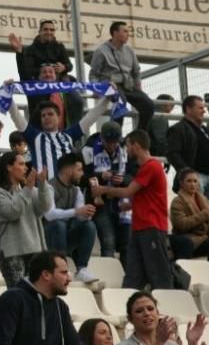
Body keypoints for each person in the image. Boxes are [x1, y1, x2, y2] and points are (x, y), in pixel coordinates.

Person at [97, 130, 172, 289]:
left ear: (136, 146)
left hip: (151, 226)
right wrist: (130, 205)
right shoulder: (149, 167)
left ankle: (168, 306)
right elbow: (147, 195)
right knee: (133, 274)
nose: (126, 150)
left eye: (128, 146)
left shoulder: (151, 166)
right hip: (141, 227)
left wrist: (103, 190)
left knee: (158, 274)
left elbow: (127, 191)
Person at [7, 90, 111, 180]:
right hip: (44, 194)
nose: (46, 117)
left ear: (59, 117)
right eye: (43, 115)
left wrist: (108, 97)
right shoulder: (34, 136)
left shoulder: (68, 135)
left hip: (68, 193)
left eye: (50, 114)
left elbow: (91, 117)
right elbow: (17, 117)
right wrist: (8, 93)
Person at [0, 152, 51, 288]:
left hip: (35, 250)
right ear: (9, 167)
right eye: (21, 164)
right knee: (18, 295)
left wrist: (43, 185)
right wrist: (28, 188)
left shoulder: (28, 190)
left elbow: (45, 208)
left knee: (36, 295)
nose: (26, 168)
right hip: (11, 252)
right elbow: (13, 212)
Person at [44, 153, 98, 283]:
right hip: (47, 238)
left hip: (65, 237)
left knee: (89, 226)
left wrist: (86, 214)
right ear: (68, 170)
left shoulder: (76, 190)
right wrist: (77, 211)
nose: (82, 174)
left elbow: (78, 216)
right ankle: (61, 268)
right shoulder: (49, 186)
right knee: (58, 224)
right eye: (79, 170)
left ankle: (82, 269)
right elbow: (49, 214)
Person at [89, 21, 154, 129]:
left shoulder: (129, 51)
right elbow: (93, 75)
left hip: (128, 86)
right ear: (115, 33)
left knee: (149, 105)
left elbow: (136, 71)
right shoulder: (101, 51)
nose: (128, 34)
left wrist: (138, 86)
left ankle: (137, 135)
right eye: (125, 31)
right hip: (111, 85)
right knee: (120, 102)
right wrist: (97, 88)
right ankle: (115, 136)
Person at [82, 121, 129, 260]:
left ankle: (128, 277)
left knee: (127, 242)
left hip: (122, 202)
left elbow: (134, 175)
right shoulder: (88, 150)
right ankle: (108, 276)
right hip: (100, 202)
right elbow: (81, 178)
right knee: (108, 241)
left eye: (115, 142)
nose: (113, 146)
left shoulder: (124, 148)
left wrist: (123, 180)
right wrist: (100, 176)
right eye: (109, 142)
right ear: (101, 138)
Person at [167, 95, 209, 199]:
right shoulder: (178, 129)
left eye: (204, 108)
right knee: (197, 210)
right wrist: (187, 173)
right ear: (188, 109)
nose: (204, 111)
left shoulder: (206, 130)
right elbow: (172, 153)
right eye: (200, 108)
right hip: (196, 177)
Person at [170, 169, 209, 266]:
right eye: (189, 181)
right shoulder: (177, 202)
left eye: (195, 181)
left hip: (204, 237)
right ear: (181, 183)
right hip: (188, 239)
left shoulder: (202, 198)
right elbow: (182, 224)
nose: (192, 184)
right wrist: (205, 213)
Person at [147, 94, 174, 158]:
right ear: (163, 105)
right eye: (171, 105)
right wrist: (168, 155)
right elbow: (161, 140)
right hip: (152, 152)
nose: (172, 109)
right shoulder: (160, 117)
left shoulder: (154, 114)